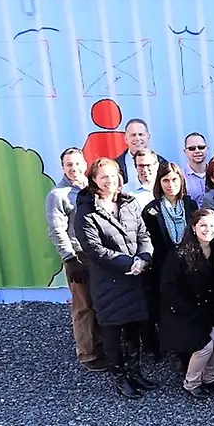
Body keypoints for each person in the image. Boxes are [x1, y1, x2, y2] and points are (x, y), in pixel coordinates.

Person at [73, 157, 156, 399]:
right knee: (112, 332)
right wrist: (130, 263)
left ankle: (135, 372)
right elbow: (95, 250)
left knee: (133, 328)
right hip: (109, 282)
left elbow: (144, 235)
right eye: (104, 177)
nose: (110, 181)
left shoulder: (129, 204)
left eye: (113, 175)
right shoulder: (86, 213)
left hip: (134, 278)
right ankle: (120, 378)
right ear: (94, 181)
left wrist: (144, 258)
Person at [158, 207, 214, 400]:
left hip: (208, 310)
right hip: (183, 313)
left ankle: (211, 379)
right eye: (203, 225)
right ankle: (192, 383)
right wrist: (184, 308)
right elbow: (168, 287)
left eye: (212, 226)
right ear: (194, 227)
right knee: (204, 346)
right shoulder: (179, 254)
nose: (208, 230)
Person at [45, 148, 105, 372]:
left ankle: (101, 345)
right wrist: (69, 259)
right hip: (78, 257)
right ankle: (87, 354)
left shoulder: (91, 190)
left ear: (85, 163)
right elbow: (57, 230)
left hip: (97, 254)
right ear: (62, 168)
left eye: (77, 163)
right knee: (83, 306)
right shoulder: (58, 195)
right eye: (69, 164)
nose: (74, 168)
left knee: (98, 302)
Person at [140, 162, 198, 361]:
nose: (170, 184)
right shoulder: (151, 210)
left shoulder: (190, 205)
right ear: (159, 183)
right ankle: (169, 348)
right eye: (165, 180)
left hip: (190, 265)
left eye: (174, 179)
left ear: (181, 181)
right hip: (163, 267)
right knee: (166, 306)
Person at [114, 118, 169, 182]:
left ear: (148, 137)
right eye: (133, 135)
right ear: (126, 139)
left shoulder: (162, 163)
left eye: (141, 134)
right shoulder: (116, 165)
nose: (137, 138)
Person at [181, 133, 211, 204]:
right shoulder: (180, 176)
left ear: (207, 149)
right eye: (192, 148)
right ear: (185, 152)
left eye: (201, 147)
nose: (197, 151)